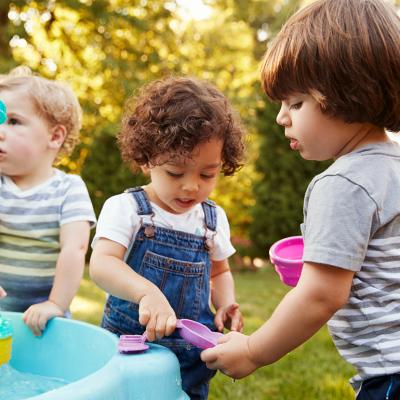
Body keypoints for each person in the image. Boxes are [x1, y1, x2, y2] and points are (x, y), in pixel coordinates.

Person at [201, 0, 400, 398]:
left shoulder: (343, 183)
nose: (281, 117)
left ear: (349, 94)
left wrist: (254, 351)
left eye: (296, 102)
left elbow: (320, 294)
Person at [89, 76, 245, 399]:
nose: (191, 187)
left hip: (190, 358)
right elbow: (102, 265)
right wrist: (147, 293)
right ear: (147, 159)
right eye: (175, 173)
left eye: (207, 174)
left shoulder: (212, 220)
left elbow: (219, 271)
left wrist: (226, 303)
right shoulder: (128, 209)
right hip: (131, 350)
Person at [0, 67, 96, 336]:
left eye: (14, 121)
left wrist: (55, 303)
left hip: (45, 318)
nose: (1, 131)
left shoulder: (68, 189)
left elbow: (74, 248)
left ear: (54, 136)